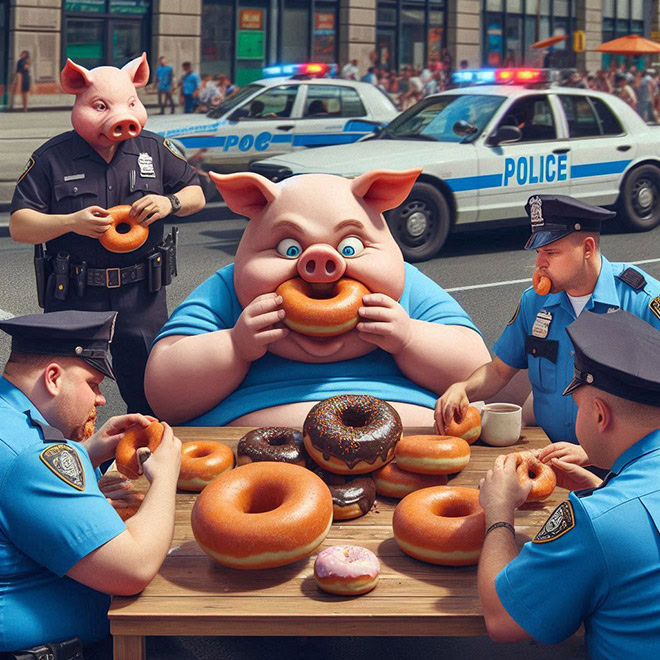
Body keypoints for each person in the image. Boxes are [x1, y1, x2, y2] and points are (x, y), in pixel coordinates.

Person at [9, 56, 205, 415]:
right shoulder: (53, 157)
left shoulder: (153, 149)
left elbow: (197, 194)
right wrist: (70, 222)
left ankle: (147, 460)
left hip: (141, 296)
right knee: (66, 398)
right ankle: (75, 463)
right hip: (76, 294)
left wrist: (169, 201)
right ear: (78, 97)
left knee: (149, 392)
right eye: (101, 107)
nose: (119, 117)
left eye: (130, 104)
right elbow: (20, 225)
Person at [477, 309, 660, 658]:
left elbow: (503, 621)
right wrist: (603, 488)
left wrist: (498, 511)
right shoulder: (610, 508)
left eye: (577, 406)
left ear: (600, 415)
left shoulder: (596, 521)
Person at [0, 310, 181, 656]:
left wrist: (87, 453)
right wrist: (165, 477)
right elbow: (134, 569)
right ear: (53, 378)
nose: (100, 399)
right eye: (93, 384)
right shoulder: (31, 459)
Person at [436, 194, 660, 446]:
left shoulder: (641, 300)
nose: (540, 263)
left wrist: (596, 455)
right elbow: (498, 371)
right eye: (539, 251)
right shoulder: (535, 302)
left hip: (621, 464)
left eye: (551, 252)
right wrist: (463, 388)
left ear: (587, 248)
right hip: (548, 453)